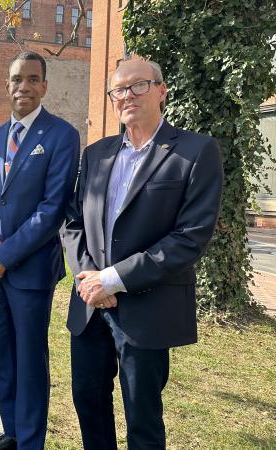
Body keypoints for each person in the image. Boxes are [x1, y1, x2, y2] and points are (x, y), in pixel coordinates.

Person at [64, 58, 223, 449]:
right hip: (90, 306)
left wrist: (113, 279)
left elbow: (190, 236)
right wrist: (91, 280)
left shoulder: (196, 151)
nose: (127, 96)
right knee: (88, 400)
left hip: (147, 308)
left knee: (143, 416)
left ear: (162, 90)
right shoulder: (96, 153)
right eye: (119, 89)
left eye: (139, 86)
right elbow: (72, 222)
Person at [0, 51, 80, 450]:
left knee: (30, 362)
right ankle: (12, 435)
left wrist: (5, 257)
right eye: (17, 79)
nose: (24, 87)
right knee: (2, 358)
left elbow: (51, 211)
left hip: (30, 271)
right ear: (7, 85)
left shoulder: (62, 136)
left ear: (44, 86)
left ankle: (31, 442)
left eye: (33, 79)